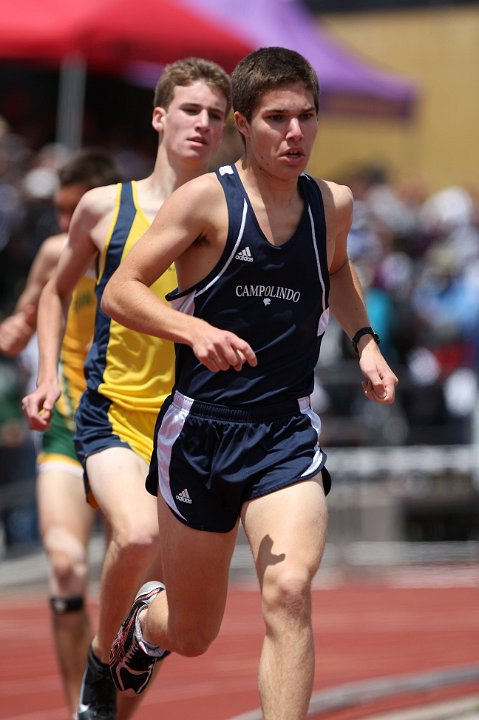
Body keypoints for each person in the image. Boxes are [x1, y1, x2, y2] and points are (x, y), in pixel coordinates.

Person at [102, 47, 399, 720]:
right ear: (242, 122)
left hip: (284, 434)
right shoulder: (206, 201)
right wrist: (192, 333)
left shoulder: (332, 203)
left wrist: (365, 343)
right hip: (201, 432)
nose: (295, 134)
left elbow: (337, 270)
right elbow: (121, 291)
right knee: (194, 634)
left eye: (306, 117)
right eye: (276, 119)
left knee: (289, 590)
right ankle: (147, 624)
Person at [21, 57, 231, 720]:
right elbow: (56, 293)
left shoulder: (233, 213)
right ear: (158, 115)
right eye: (191, 110)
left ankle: (108, 695)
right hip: (113, 413)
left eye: (216, 116)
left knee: (174, 614)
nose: (202, 124)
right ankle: (97, 666)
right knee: (135, 539)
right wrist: (49, 372)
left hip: (193, 429)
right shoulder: (102, 207)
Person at [0, 148, 122, 718]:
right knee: (67, 565)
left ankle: (110, 700)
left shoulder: (146, 247)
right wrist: (16, 326)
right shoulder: (55, 254)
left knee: (138, 594)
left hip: (133, 431)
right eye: (58, 211)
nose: (64, 223)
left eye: (75, 211)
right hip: (69, 424)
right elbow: (27, 311)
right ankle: (81, 705)